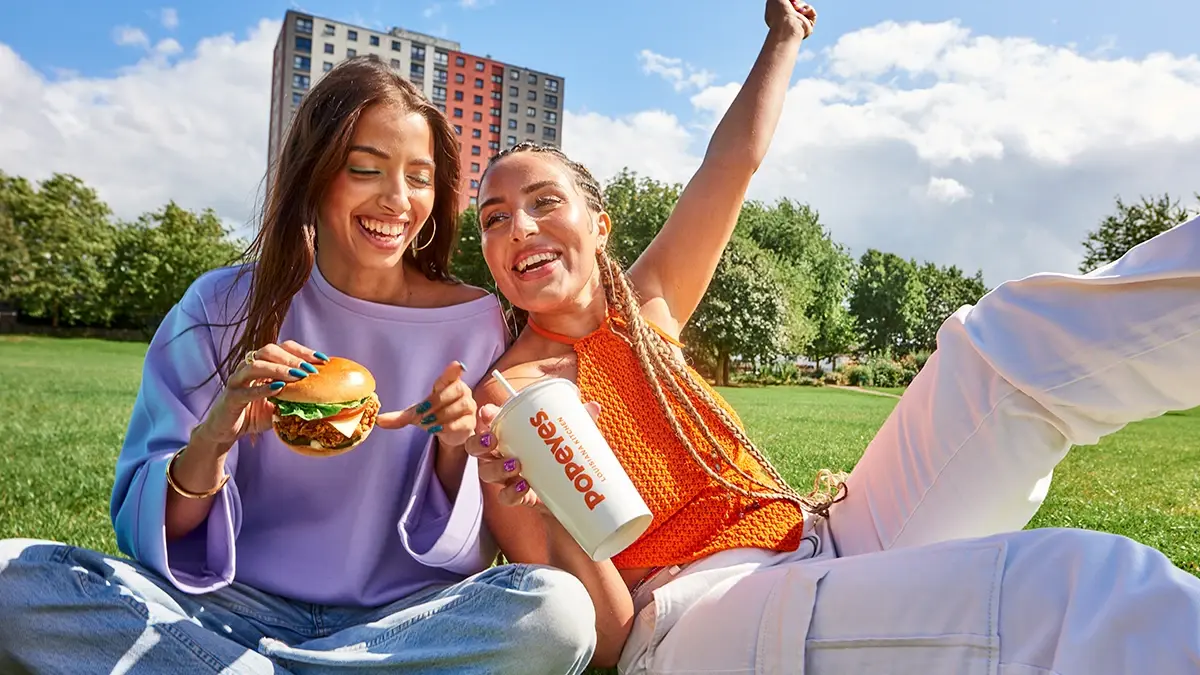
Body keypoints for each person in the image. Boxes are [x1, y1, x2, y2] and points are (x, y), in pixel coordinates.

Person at [464, 1, 1200, 672]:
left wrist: (784, 32)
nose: (519, 226)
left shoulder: (646, 306)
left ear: (598, 226)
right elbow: (609, 637)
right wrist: (531, 495)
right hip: (699, 616)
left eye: (542, 201)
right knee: (1080, 592)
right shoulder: (506, 401)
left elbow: (733, 161)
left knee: (1002, 343)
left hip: (826, 537)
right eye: (494, 217)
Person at [0, 57, 595, 675]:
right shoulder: (220, 304)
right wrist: (216, 434)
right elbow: (147, 534)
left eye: (418, 178)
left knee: (555, 615)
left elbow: (470, 551)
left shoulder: (473, 321)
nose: (396, 200)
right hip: (223, 611)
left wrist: (453, 449)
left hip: (395, 627)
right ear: (314, 176)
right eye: (366, 169)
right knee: (10, 580)